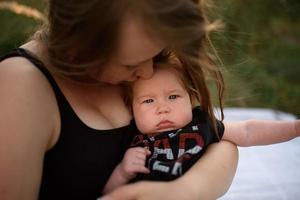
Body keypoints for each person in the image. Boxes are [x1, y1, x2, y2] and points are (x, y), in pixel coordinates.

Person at [0, 0, 239, 200]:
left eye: (155, 54)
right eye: (131, 65)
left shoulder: (143, 45)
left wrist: (184, 191)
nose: (147, 73)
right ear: (80, 46)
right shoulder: (21, 85)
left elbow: (217, 142)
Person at [103, 62, 300, 193]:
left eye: (173, 96)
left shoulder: (200, 125)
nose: (162, 108)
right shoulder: (132, 138)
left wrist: (294, 128)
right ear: (131, 109)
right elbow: (108, 194)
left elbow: (247, 131)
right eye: (148, 101)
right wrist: (122, 171)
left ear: (190, 99)